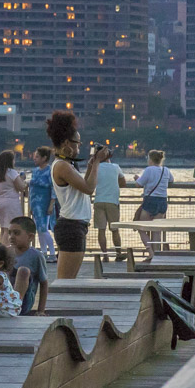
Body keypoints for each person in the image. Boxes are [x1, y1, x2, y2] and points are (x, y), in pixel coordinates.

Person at [46, 110, 110, 295]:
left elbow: (83, 186)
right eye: (77, 143)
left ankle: (62, 313)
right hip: (71, 226)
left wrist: (91, 166)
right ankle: (57, 313)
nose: (79, 148)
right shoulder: (62, 165)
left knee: (69, 281)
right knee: (65, 282)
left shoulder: (67, 164)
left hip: (76, 225)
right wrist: (97, 162)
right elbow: (89, 189)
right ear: (66, 143)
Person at [6, 216, 48, 316]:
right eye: (9, 233)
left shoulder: (36, 256)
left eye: (16, 233)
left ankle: (14, 306)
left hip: (22, 304)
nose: (11, 236)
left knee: (23, 271)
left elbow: (44, 283)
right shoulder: (6, 252)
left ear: (30, 237)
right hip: (4, 297)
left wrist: (41, 310)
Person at [91, 149, 129, 257]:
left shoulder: (96, 167)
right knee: (115, 230)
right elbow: (123, 183)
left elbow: (90, 182)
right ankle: (118, 254)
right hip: (112, 201)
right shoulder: (115, 167)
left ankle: (105, 255)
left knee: (101, 230)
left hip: (98, 200)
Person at [134, 150, 173, 252]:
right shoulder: (166, 170)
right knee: (156, 231)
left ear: (150, 159)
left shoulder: (149, 169)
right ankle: (156, 254)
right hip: (163, 201)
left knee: (141, 228)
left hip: (150, 201)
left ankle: (150, 253)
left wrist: (137, 178)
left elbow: (139, 184)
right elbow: (171, 180)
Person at [26, 147, 57, 260]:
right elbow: (32, 189)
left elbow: (54, 188)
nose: (35, 159)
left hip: (44, 203)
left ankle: (52, 253)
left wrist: (51, 204)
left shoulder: (50, 171)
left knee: (43, 228)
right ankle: (44, 252)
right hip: (35, 203)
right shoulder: (35, 171)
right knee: (38, 229)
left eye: (37, 156)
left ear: (44, 158)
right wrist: (30, 205)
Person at [0, 150, 24, 234]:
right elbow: (21, 187)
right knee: (9, 229)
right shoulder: (12, 172)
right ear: (10, 161)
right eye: (13, 160)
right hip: (10, 202)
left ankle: (2, 246)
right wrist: (22, 179)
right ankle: (7, 246)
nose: (14, 162)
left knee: (3, 228)